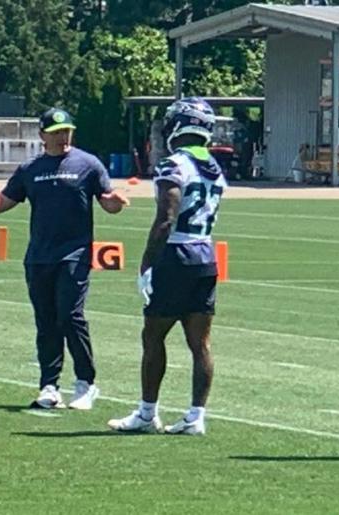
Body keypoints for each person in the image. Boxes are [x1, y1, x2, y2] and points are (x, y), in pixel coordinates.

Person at [0, 107, 128, 410]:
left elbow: (107, 201)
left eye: (67, 131)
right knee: (46, 322)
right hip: (39, 256)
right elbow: (5, 199)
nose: (63, 137)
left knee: (70, 315)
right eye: (56, 133)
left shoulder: (88, 164)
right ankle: (49, 385)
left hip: (75, 253)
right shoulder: (31, 168)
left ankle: (85, 383)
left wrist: (115, 201)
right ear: (42, 136)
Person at [108, 97, 226, 436]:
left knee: (153, 334)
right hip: (205, 253)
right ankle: (196, 415)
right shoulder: (215, 168)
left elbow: (166, 218)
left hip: (176, 255)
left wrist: (147, 262)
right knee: (200, 342)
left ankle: (147, 412)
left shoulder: (174, 164)